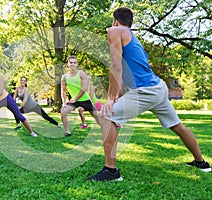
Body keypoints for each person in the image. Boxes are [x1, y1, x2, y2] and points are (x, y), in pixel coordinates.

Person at [87, 7, 211, 181]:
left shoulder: (115, 31)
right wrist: (117, 98)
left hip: (146, 91)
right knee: (177, 126)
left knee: (107, 117)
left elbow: (115, 67)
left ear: (115, 20)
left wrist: (109, 99)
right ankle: (202, 163)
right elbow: (123, 73)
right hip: (158, 89)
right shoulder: (133, 39)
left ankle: (111, 172)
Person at [61, 55, 100, 137]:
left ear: (77, 64)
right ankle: (67, 132)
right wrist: (64, 103)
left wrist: (75, 99)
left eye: (74, 62)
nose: (72, 64)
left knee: (96, 116)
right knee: (63, 111)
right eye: (71, 62)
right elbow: (63, 91)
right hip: (74, 101)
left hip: (85, 99)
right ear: (68, 64)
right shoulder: (64, 77)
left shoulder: (82, 74)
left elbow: (84, 89)